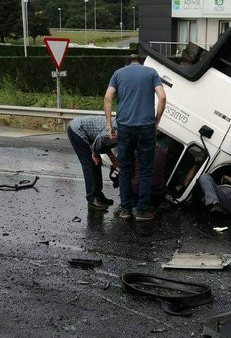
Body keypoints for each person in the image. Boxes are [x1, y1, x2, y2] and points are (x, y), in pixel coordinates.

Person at [104, 53, 166, 223]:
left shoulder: (118, 73)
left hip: (124, 127)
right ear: (140, 62)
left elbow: (108, 97)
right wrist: (157, 121)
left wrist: (109, 125)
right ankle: (142, 210)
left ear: (127, 63)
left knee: (125, 169)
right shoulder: (151, 72)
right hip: (146, 128)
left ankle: (126, 210)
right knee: (145, 170)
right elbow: (162, 97)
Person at [67, 114, 117, 211]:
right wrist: (96, 153)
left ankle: (98, 194)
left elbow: (105, 143)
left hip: (91, 134)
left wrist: (111, 157)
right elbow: (100, 139)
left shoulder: (123, 127)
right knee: (90, 164)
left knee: (97, 163)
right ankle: (92, 198)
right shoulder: (118, 130)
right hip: (77, 130)